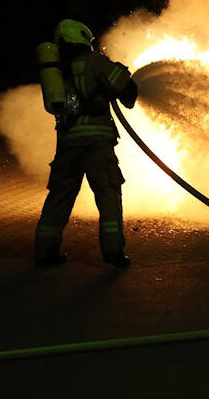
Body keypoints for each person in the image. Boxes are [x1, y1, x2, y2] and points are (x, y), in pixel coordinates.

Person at [34, 19, 138, 268]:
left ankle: (45, 251)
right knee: (108, 194)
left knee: (60, 195)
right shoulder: (96, 63)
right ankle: (113, 251)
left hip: (68, 142)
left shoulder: (58, 71)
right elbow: (129, 92)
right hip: (96, 144)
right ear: (81, 38)